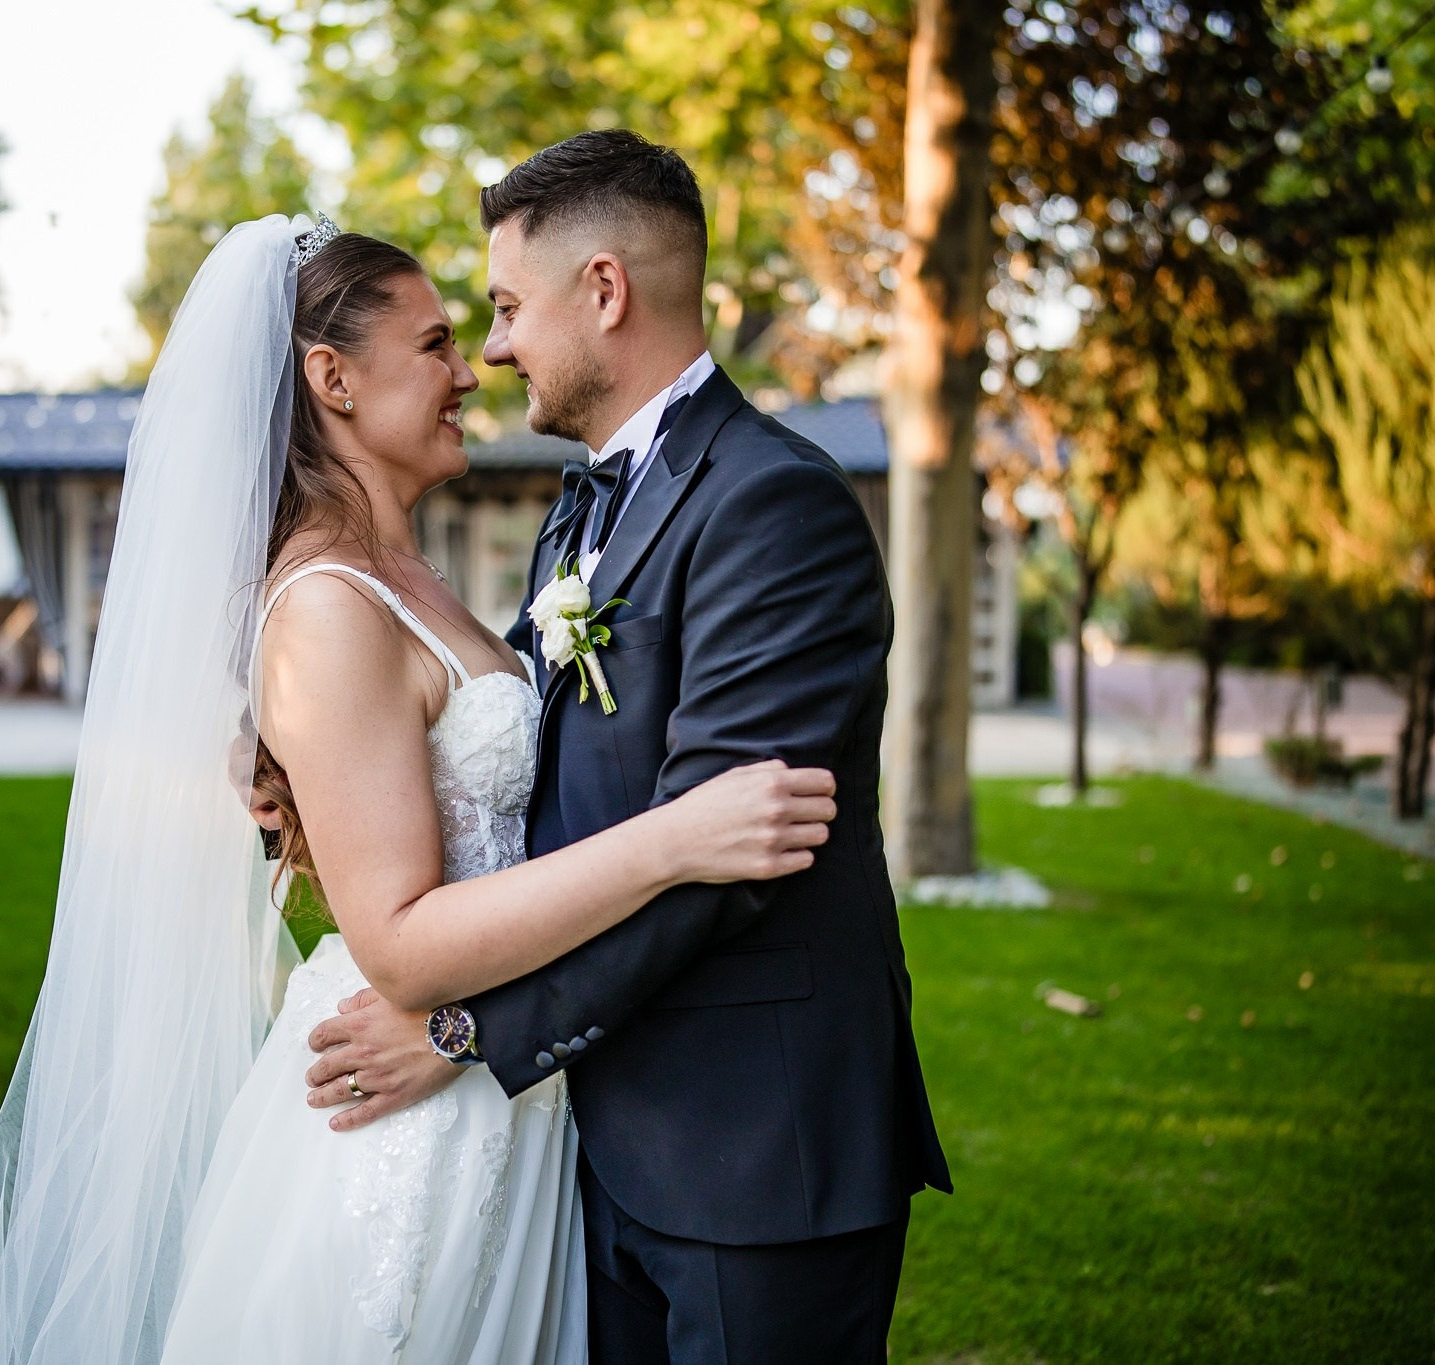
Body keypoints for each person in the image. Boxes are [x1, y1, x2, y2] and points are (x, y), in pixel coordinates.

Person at [0, 212, 835, 1364]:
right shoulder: (326, 605)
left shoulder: (412, 577)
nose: (469, 366)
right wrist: (676, 840)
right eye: (432, 343)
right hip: (402, 1111)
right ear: (331, 378)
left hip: (506, 1089)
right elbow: (404, 948)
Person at [305, 130, 954, 1364]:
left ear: (602, 291)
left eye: (502, 307)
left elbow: (727, 859)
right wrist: (304, 750)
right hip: (600, 1130)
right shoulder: (580, 508)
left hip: (755, 1148)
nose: (491, 350)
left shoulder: (773, 505)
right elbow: (491, 714)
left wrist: (463, 1030)